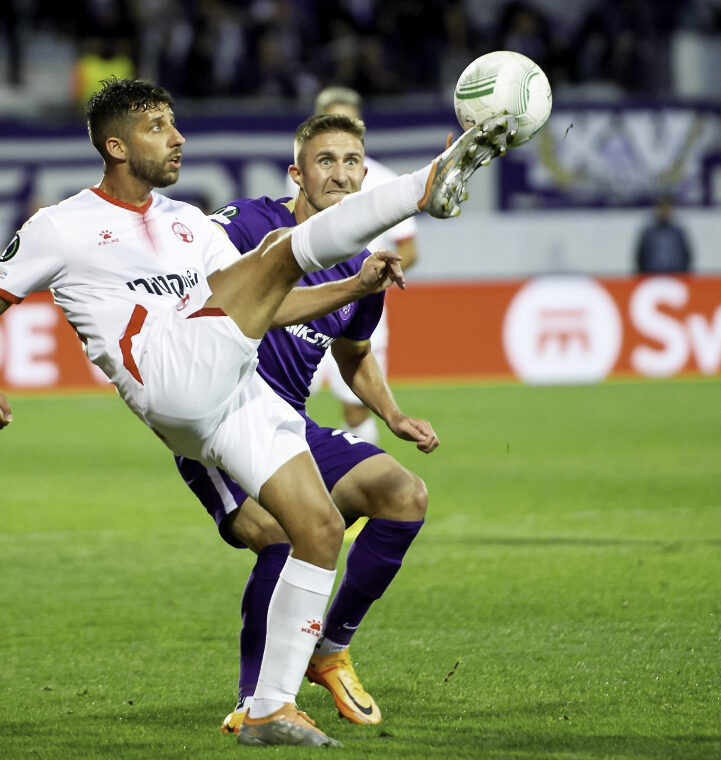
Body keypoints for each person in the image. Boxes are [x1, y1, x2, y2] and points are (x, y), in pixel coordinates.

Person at [0, 78, 517, 748]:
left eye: (175, 122)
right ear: (116, 145)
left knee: (319, 529)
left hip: (238, 392)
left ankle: (269, 709)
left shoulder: (186, 221)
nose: (178, 137)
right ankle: (425, 186)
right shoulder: (61, 226)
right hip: (169, 375)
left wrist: (352, 287)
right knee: (276, 251)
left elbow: (263, 302)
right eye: (159, 126)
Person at [179, 112, 436, 733]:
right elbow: (225, 303)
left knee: (402, 495)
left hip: (289, 428)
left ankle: (330, 646)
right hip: (219, 426)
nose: (340, 174)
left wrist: (392, 413)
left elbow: (353, 354)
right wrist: (351, 284)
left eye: (353, 162)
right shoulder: (247, 225)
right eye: (325, 160)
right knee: (282, 535)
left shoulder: (363, 265)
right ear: (297, 172)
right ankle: (254, 703)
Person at [302, 86, 422, 445]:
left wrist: (371, 284)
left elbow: (410, 249)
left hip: (355, 307)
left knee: (356, 406)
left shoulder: (383, 181)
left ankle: (363, 483)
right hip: (301, 303)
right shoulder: (302, 176)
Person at [634, 194, 693, 274]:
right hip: (652, 277)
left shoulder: (678, 233)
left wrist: (683, 274)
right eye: (662, 208)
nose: (664, 212)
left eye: (667, 209)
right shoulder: (649, 233)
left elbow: (686, 256)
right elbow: (640, 256)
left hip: (675, 276)